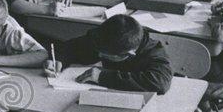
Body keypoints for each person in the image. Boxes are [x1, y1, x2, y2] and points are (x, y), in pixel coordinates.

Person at [44, 15, 173, 94]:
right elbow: (70, 48)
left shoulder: (154, 53)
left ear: (128, 54)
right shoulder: (104, 37)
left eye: (103, 55)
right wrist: (58, 60)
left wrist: (102, 77)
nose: (98, 55)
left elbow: (160, 83)